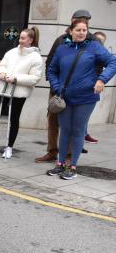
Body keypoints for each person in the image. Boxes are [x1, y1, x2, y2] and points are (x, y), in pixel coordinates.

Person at [45, 18, 116, 180]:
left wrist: (101, 79)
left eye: (84, 30)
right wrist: (57, 87)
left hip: (86, 97)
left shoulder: (94, 47)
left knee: (77, 131)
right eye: (78, 30)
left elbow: (113, 62)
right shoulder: (62, 49)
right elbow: (52, 70)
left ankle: (73, 166)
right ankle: (60, 163)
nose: (82, 33)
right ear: (71, 31)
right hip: (65, 97)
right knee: (65, 130)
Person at [0, 27, 44, 159]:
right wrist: (2, 74)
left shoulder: (36, 58)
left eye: (23, 38)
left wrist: (16, 79)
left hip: (19, 91)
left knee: (14, 119)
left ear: (31, 40)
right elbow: (2, 65)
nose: (20, 40)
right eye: (20, 38)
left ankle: (9, 147)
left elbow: (35, 78)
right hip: (3, 88)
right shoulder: (11, 52)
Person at [35, 9, 94, 163]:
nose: (82, 27)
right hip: (57, 89)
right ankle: (52, 151)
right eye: (79, 20)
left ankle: (68, 155)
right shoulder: (61, 40)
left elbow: (99, 66)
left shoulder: (92, 42)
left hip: (78, 91)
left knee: (72, 125)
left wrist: (96, 82)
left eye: (85, 22)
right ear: (72, 20)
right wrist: (54, 85)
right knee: (53, 120)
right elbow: (50, 62)